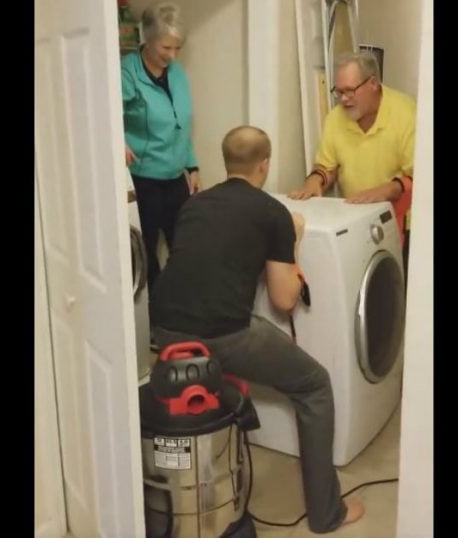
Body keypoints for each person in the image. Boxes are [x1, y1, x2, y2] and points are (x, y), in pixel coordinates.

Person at [150, 126, 365, 533]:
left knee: (232, 346)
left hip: (163, 329)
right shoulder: (273, 212)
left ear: (225, 161)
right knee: (315, 384)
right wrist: (296, 239)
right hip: (220, 332)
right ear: (264, 165)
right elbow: (285, 299)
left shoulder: (194, 204)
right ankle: (327, 513)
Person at [289, 50, 416, 266]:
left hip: (402, 224)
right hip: (356, 221)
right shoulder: (335, 118)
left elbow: (421, 177)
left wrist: (387, 190)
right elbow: (327, 166)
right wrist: (316, 180)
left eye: (350, 91)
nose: (344, 100)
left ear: (373, 83)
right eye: (338, 92)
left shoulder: (406, 113)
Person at [121, 2, 201, 291]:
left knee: (186, 245)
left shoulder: (177, 72)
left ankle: (181, 304)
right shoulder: (127, 72)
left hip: (176, 177)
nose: (172, 55)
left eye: (178, 48)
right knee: (146, 250)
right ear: (148, 38)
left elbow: (181, 123)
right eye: (166, 47)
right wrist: (118, 141)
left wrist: (192, 165)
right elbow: (102, 113)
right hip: (145, 179)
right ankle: (152, 315)